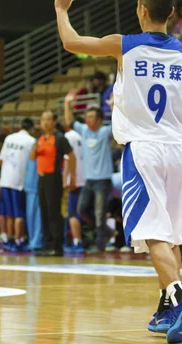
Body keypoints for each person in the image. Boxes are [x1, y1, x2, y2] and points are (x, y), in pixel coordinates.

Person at [55, 0, 182, 343]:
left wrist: (61, 10)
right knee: (171, 231)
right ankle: (166, 307)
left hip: (144, 148)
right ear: (171, 14)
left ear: (141, 9)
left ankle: (179, 295)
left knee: (150, 230)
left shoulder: (123, 45)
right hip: (180, 150)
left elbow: (71, 43)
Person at [63, 100, 113, 253]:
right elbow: (70, 122)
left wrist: (113, 106)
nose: (87, 119)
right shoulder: (84, 130)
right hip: (88, 179)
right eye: (87, 116)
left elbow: (119, 123)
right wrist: (67, 104)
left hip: (103, 179)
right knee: (82, 209)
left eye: (91, 117)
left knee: (100, 212)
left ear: (99, 120)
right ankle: (105, 230)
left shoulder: (105, 132)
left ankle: (100, 245)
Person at [30, 111, 76, 256]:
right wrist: (34, 148)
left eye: (48, 120)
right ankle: (48, 244)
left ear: (54, 122)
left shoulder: (59, 138)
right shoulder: (41, 139)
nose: (45, 123)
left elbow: (71, 156)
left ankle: (57, 246)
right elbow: (32, 157)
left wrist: (71, 176)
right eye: (43, 120)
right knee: (44, 211)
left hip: (53, 178)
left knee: (53, 212)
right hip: (41, 178)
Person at [0, 118, 36, 251]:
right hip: (19, 181)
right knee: (19, 213)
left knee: (9, 213)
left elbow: (1, 160)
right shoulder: (31, 141)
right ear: (31, 129)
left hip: (4, 180)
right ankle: (18, 240)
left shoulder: (9, 138)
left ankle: (9, 240)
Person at [63, 123, 86, 253]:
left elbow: (68, 159)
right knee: (79, 211)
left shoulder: (68, 136)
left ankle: (77, 241)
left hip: (74, 180)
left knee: (72, 213)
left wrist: (67, 178)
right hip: (85, 177)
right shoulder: (83, 136)